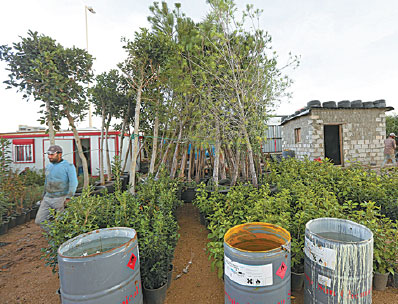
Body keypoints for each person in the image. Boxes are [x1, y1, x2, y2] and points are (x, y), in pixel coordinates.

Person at [35, 145, 78, 229]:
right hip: (47, 197)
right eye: (48, 154)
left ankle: (60, 239)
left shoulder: (68, 166)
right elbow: (46, 182)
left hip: (61, 198)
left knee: (61, 221)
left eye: (52, 154)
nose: (49, 157)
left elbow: (74, 182)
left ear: (60, 154)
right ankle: (52, 234)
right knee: (39, 220)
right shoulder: (48, 166)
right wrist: (43, 196)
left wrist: (69, 197)